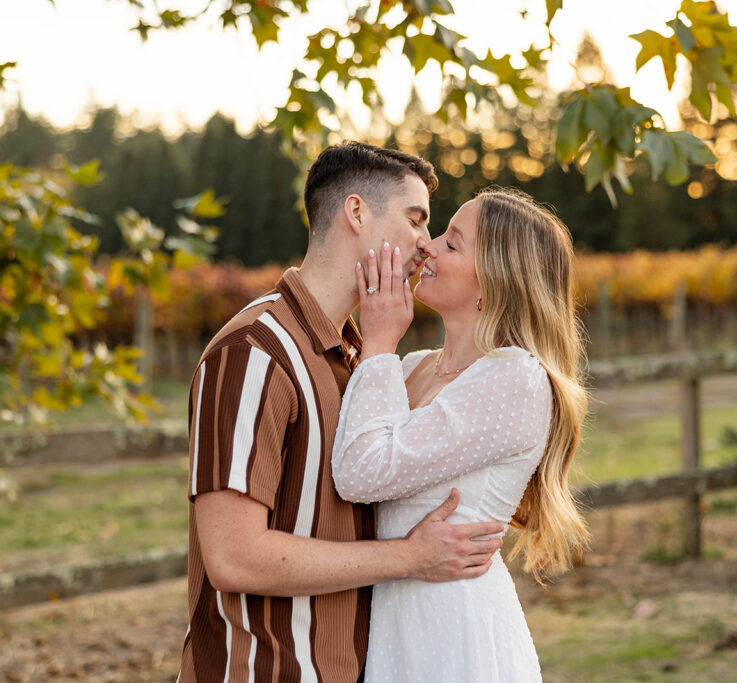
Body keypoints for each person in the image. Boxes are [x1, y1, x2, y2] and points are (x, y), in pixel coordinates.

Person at [178, 142, 508, 683]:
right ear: (356, 213)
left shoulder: (363, 360)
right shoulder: (254, 353)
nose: (425, 243)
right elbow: (232, 557)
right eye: (415, 219)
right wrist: (409, 557)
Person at [332, 188, 590, 682]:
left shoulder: (515, 380)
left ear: (492, 283)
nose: (427, 246)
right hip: (390, 623)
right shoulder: (409, 369)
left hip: (452, 629)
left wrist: (380, 338)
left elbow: (359, 475)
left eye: (452, 243)